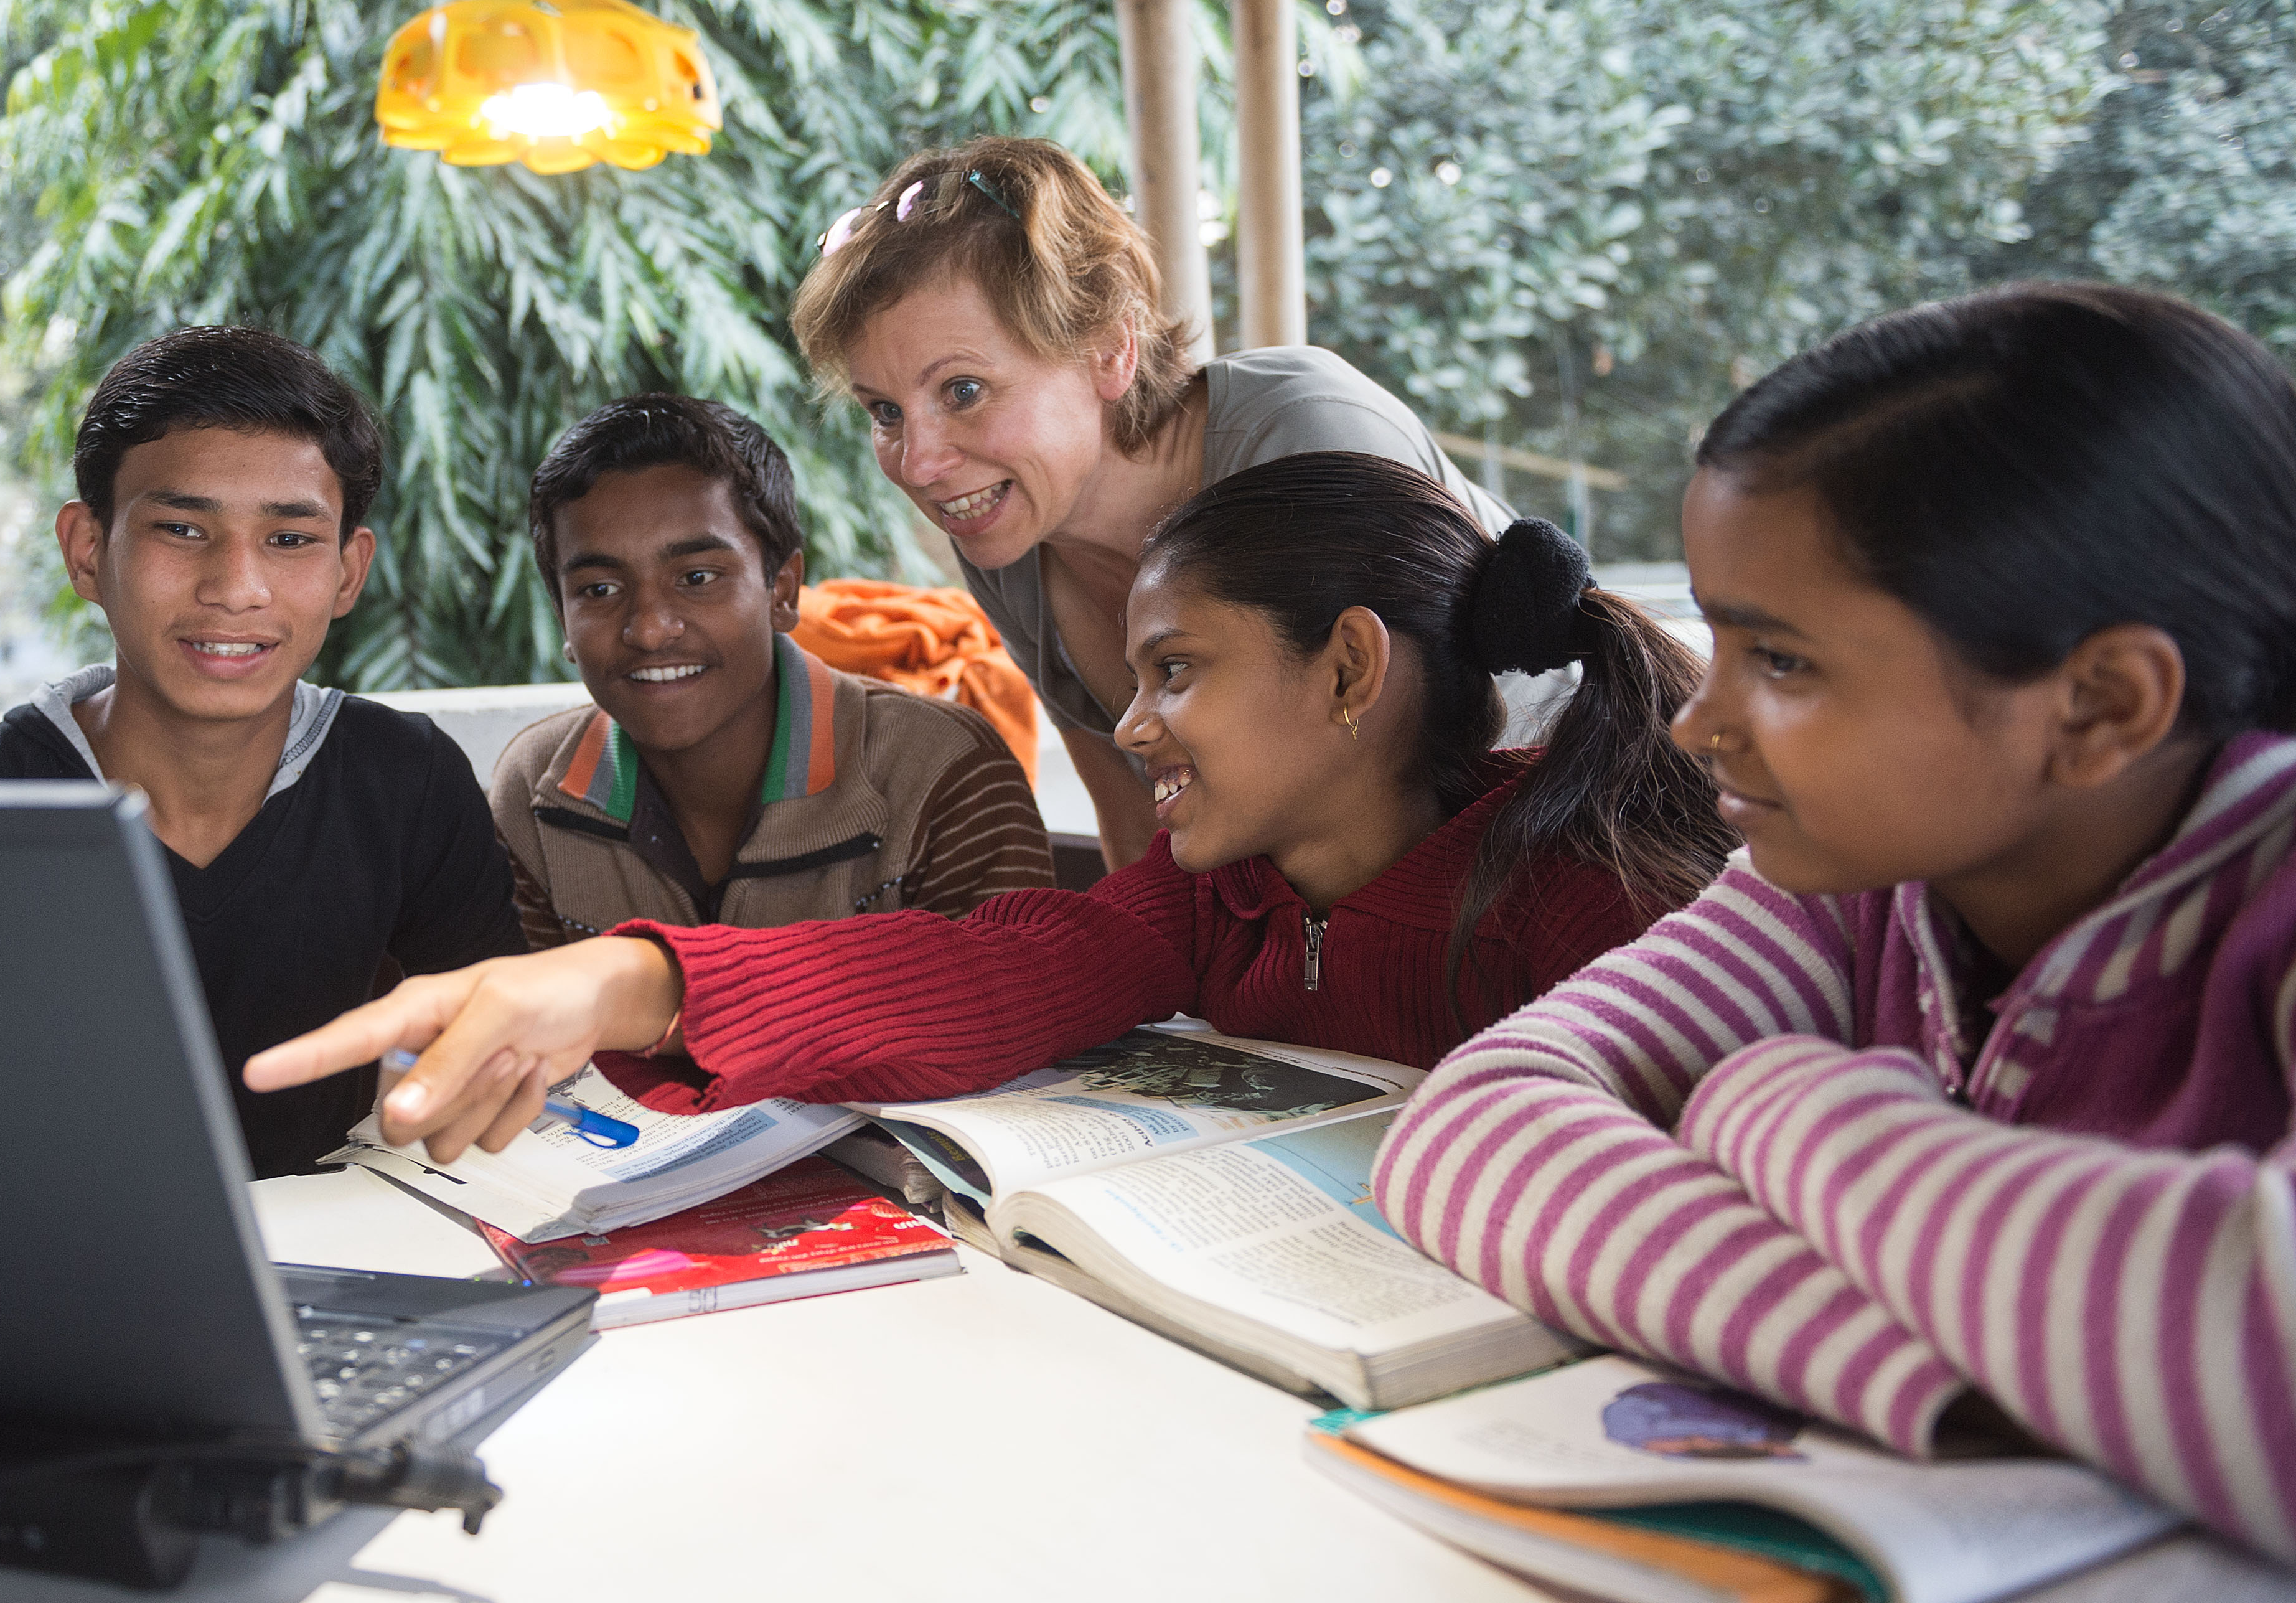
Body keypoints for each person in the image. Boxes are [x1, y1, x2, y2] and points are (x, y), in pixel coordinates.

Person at [1370, 285, 2296, 1567]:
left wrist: (1777, 1104)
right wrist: (1966, 1383)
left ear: (2099, 703)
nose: (1702, 718)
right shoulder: (1854, 883)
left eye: (1785, 661)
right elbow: (1473, 1124)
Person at [243, 451, 1728, 1159]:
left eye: (1177, 672)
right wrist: (631, 974)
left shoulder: (1597, 902)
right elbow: (990, 963)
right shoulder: (1216, 894)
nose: (1132, 723)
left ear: (1348, 668)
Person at [0, 324, 521, 1175]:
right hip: (28, 1283)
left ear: (347, 574)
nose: (236, 589)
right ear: (86, 550)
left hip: (336, 1272)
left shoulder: (403, 779)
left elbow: (497, 1049)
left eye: (290, 539)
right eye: (182, 530)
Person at [789, 136, 1520, 872]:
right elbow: (1144, 843)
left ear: (1110, 349)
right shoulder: (1005, 526)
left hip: (1558, 845)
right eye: (884, 412)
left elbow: (1412, 814)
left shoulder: (1306, 437)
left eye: (963, 391)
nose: (919, 464)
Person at [491, 394, 1051, 946]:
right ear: (563, 618)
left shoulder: (942, 772)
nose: (650, 628)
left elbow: (1008, 1017)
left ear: (781, 591)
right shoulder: (538, 791)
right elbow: (517, 1028)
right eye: (600, 590)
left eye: (697, 578)